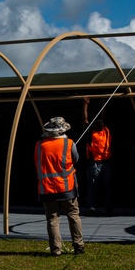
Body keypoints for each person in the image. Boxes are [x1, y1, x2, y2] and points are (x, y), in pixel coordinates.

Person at [34, 117, 85, 256]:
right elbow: (76, 159)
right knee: (73, 215)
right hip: (67, 186)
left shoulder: (40, 145)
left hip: (47, 188)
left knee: (52, 219)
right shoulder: (69, 143)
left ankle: (56, 249)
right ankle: (78, 245)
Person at [83, 97, 113, 216]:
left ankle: (109, 208)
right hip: (94, 164)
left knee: (107, 187)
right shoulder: (91, 132)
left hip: (106, 162)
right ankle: (91, 207)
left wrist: (104, 103)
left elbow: (104, 116)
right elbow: (85, 119)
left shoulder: (106, 130)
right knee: (93, 187)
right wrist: (85, 104)